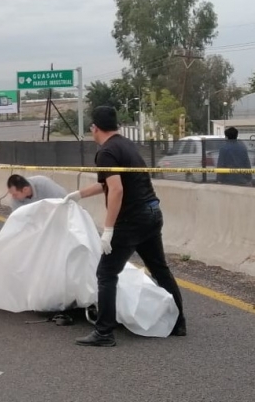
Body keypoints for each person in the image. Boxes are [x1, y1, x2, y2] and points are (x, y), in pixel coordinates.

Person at [65, 106, 186, 347]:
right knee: (160, 269)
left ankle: (104, 332)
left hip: (132, 219)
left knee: (106, 274)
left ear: (94, 128)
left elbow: (117, 190)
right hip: (152, 213)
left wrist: (108, 230)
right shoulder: (125, 145)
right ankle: (179, 322)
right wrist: (79, 194)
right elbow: (110, 184)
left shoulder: (106, 152)